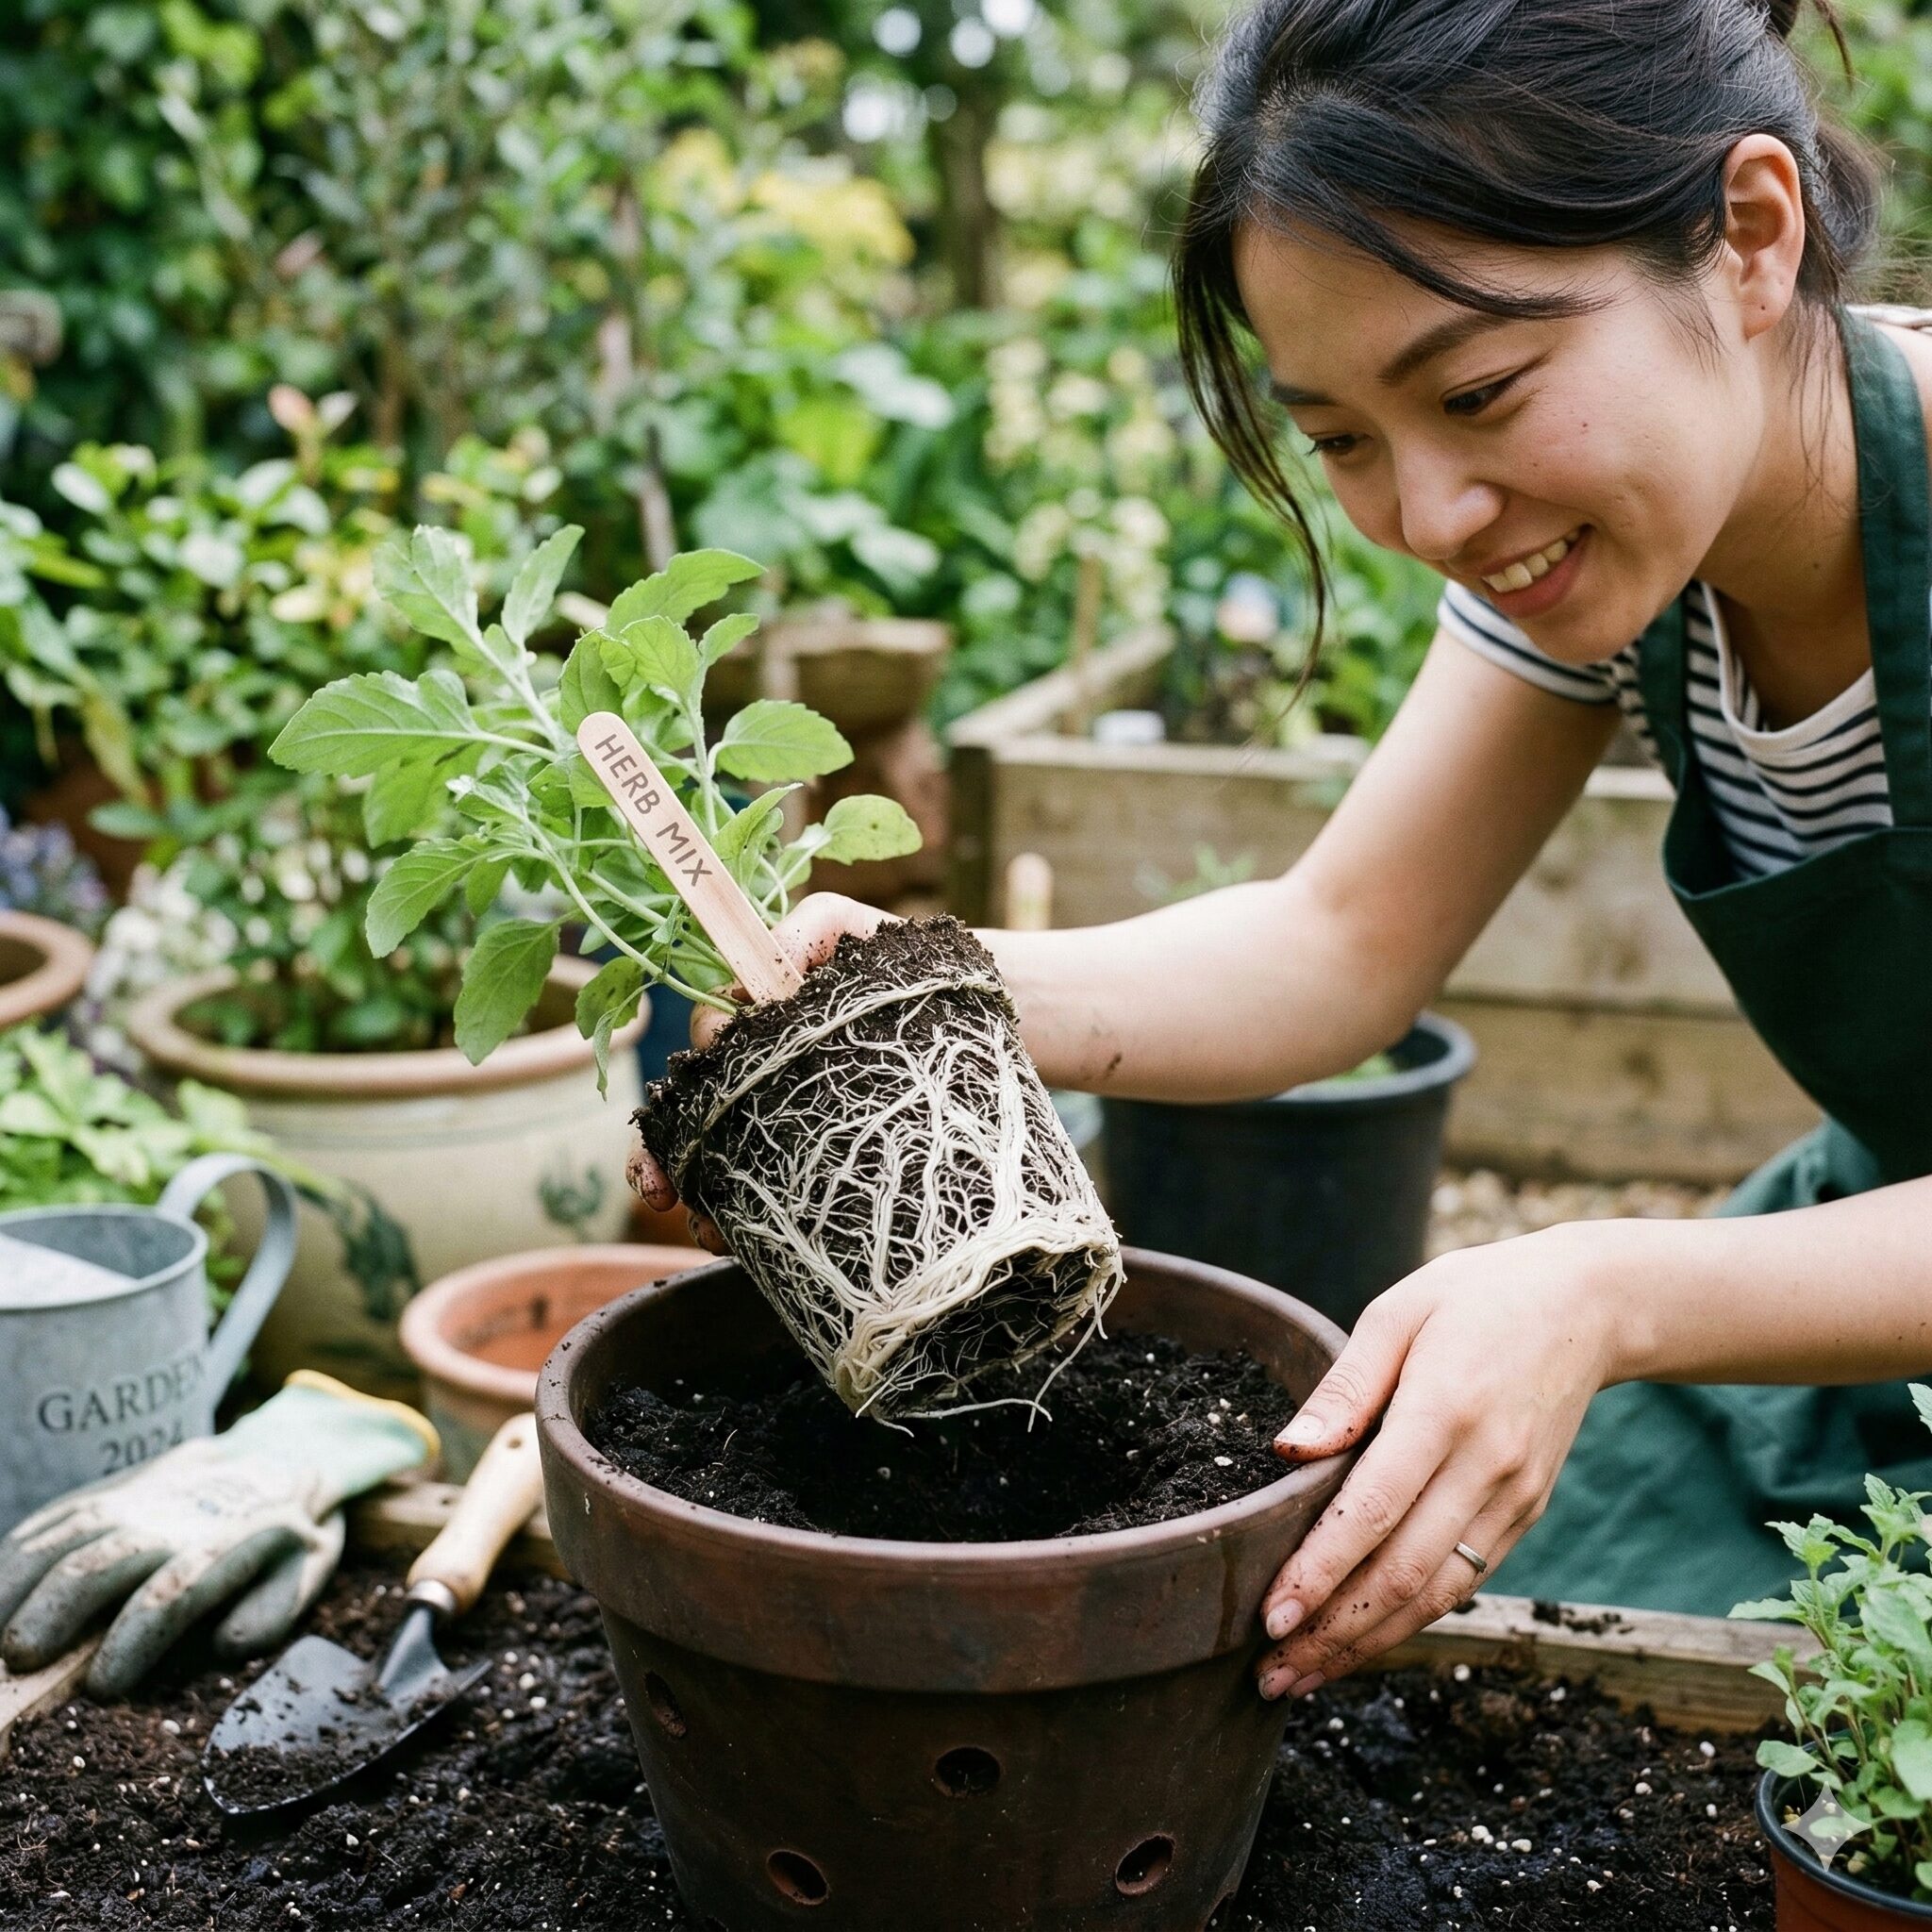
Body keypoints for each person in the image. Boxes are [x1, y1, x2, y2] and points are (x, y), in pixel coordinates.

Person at [636, 0, 1932, 1704]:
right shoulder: (1621, 554)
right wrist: (926, 990)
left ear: (1750, 238)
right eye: (1341, 440)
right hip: (1864, 1297)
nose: (1433, 517)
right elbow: (1337, 943)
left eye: (1478, 389)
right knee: (1457, 1634)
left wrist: (1605, 1289)